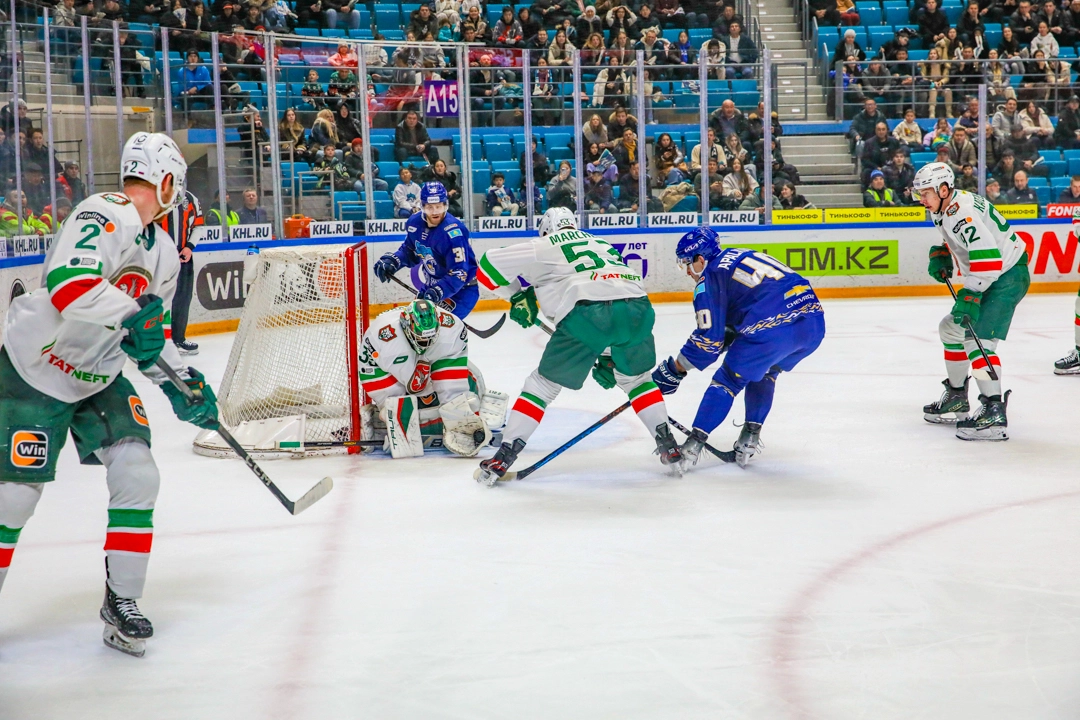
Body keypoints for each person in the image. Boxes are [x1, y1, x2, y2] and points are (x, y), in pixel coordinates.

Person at [0, 132, 219, 658]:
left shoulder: (163, 252)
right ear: (166, 183)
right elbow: (67, 283)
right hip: (34, 373)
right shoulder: (104, 210)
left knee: (138, 471)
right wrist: (131, 316)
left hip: (97, 376)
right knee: (13, 499)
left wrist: (181, 385)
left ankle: (122, 600)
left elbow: (150, 341)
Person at [473, 207, 682, 484]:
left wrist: (515, 296)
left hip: (587, 314)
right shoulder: (601, 243)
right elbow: (615, 295)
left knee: (541, 386)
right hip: (639, 310)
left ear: (547, 230)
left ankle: (505, 455)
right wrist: (610, 355)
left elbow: (486, 266)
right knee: (638, 381)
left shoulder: (544, 244)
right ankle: (669, 445)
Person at [650, 226, 824, 468]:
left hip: (770, 332)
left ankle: (691, 447)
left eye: (688, 264)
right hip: (813, 324)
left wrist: (676, 368)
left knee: (727, 380)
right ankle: (749, 440)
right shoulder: (741, 254)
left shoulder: (709, 277)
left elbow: (707, 341)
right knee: (766, 371)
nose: (688, 271)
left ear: (701, 259)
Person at [915, 162, 1029, 439]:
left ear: (944, 189)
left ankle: (993, 412)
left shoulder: (960, 212)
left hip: (1005, 277)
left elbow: (989, 259)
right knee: (951, 328)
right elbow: (967, 240)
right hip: (995, 274)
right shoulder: (944, 208)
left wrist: (970, 294)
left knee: (977, 340)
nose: (922, 199)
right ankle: (956, 395)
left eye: (926, 192)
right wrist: (944, 251)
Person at [358, 299, 505, 458]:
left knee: (461, 389)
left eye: (430, 337)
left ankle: (385, 425)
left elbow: (450, 385)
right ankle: (380, 421)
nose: (426, 343)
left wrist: (457, 408)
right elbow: (416, 387)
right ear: (408, 328)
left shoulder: (452, 328)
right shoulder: (388, 344)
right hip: (376, 369)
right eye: (422, 338)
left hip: (403, 355)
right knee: (399, 408)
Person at [374, 182, 479, 318]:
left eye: (438, 207)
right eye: (430, 207)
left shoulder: (454, 233)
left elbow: (460, 272)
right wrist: (395, 260)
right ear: (422, 206)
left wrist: (439, 291)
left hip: (460, 290)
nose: (435, 212)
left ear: (445, 205)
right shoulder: (414, 223)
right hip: (432, 286)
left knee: (438, 333)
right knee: (416, 328)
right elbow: (410, 251)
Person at [158, 187, 204, 356]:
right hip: (158, 256)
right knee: (157, 299)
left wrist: (189, 247)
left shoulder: (190, 198)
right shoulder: (154, 195)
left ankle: (178, 338)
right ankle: (154, 340)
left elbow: (198, 225)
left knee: (183, 298)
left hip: (183, 256)